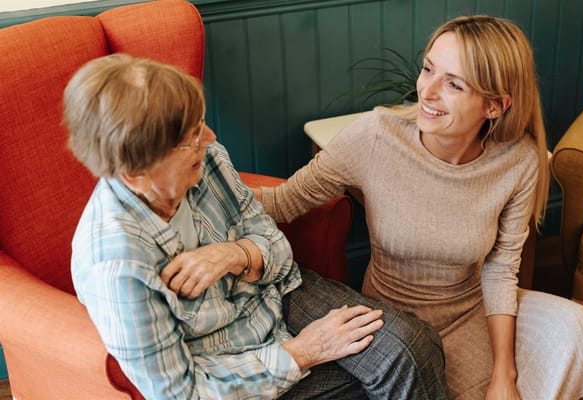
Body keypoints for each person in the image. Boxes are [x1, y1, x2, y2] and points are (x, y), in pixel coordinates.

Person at [64, 53, 449, 399]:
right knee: (400, 367)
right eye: (191, 138)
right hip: (227, 366)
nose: (211, 139)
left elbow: (276, 249)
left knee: (410, 349)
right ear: (135, 173)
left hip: (277, 297)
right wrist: (303, 351)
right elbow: (182, 394)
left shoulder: (209, 159)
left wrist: (236, 253)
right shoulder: (117, 267)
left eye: (201, 124)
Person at [253, 15, 583, 400]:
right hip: (394, 324)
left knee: (577, 332)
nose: (427, 92)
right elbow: (283, 202)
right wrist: (195, 188)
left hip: (470, 317)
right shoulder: (375, 136)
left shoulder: (518, 161)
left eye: (453, 84)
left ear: (495, 107)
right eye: (428, 69)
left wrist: (505, 372)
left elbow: (501, 268)